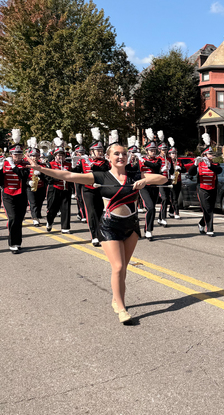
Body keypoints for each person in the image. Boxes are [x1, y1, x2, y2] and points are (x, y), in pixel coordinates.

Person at [27, 132, 167, 324]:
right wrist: (41, 169)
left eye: (124, 153)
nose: (121, 156)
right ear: (108, 157)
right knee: (117, 267)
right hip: (110, 225)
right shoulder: (100, 175)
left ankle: (116, 299)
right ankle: (121, 306)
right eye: (116, 153)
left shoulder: (135, 174)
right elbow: (68, 175)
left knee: (123, 268)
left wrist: (145, 181)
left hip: (131, 225)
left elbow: (163, 179)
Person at [72, 128, 109, 247]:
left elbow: (103, 170)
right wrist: (74, 166)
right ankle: (94, 236)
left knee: (100, 213)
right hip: (88, 190)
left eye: (101, 150)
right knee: (91, 213)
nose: (100, 152)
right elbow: (75, 173)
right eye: (97, 150)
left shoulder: (105, 162)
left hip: (101, 190)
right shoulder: (83, 161)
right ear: (91, 151)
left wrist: (92, 165)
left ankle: (100, 233)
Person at [2, 129, 34, 253]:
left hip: (21, 195)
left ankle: (17, 242)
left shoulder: (25, 165)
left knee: (19, 220)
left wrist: (14, 166)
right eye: (15, 155)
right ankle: (13, 243)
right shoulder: (4, 163)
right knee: (13, 218)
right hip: (8, 195)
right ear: (11, 154)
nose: (18, 157)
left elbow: (23, 176)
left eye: (20, 154)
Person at [188, 133, 222, 236]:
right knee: (207, 209)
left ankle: (201, 223)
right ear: (204, 155)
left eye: (212, 154)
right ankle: (210, 229)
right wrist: (194, 164)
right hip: (202, 189)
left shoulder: (214, 164)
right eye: (209, 154)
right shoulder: (199, 163)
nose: (211, 156)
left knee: (210, 209)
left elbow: (219, 170)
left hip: (213, 188)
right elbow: (191, 173)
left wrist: (210, 165)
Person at [139, 129, 165, 240]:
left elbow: (155, 167)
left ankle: (148, 229)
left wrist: (144, 161)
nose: (153, 152)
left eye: (154, 150)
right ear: (147, 151)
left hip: (154, 186)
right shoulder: (141, 160)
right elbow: (132, 170)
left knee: (153, 208)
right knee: (150, 207)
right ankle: (148, 230)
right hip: (144, 186)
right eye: (151, 150)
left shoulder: (158, 160)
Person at [46, 138, 72, 234]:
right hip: (54, 189)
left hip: (65, 189)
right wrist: (59, 177)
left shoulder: (68, 165)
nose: (60, 157)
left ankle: (65, 227)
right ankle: (50, 221)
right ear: (55, 156)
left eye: (62, 155)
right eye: (58, 155)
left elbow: (72, 175)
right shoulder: (50, 164)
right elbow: (48, 178)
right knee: (53, 208)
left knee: (66, 208)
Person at [26, 138, 48, 228]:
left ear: (39, 157)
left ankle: (37, 214)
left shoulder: (42, 165)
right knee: (33, 203)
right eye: (33, 156)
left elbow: (46, 177)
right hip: (30, 187)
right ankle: (35, 218)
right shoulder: (27, 166)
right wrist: (29, 182)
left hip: (41, 187)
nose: (34, 157)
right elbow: (23, 177)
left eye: (36, 156)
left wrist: (41, 174)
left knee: (39, 202)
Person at [157, 131, 172, 227]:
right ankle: (163, 218)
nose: (164, 151)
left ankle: (159, 218)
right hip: (159, 180)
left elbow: (172, 170)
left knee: (166, 200)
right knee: (164, 199)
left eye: (165, 149)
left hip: (167, 180)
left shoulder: (169, 159)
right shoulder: (157, 159)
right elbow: (155, 170)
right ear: (159, 150)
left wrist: (172, 173)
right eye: (163, 149)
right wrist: (161, 170)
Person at [167, 138, 183, 220]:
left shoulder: (179, 161)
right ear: (169, 154)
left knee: (175, 197)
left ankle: (170, 211)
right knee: (173, 198)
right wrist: (170, 175)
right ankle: (176, 212)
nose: (174, 155)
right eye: (172, 153)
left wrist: (180, 168)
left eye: (175, 153)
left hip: (178, 181)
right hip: (171, 181)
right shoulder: (168, 161)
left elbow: (184, 170)